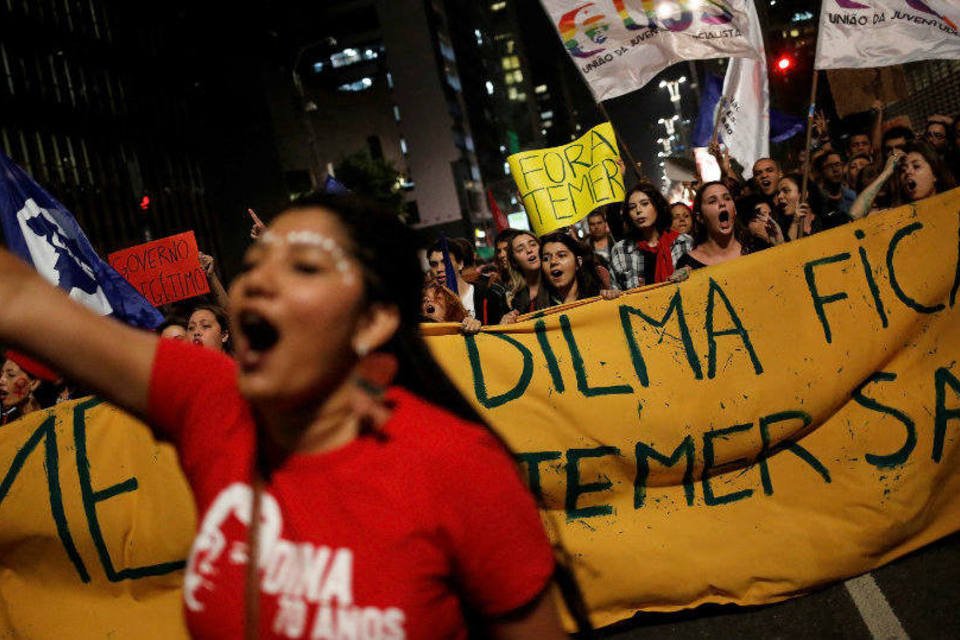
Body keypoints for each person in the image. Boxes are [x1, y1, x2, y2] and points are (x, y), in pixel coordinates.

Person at [0, 192, 571, 638]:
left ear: (372, 321)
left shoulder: (458, 466)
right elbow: (20, 300)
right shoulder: (211, 402)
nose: (256, 283)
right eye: (254, 263)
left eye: (302, 267)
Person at [609, 184, 692, 290]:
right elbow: (615, 290)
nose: (638, 210)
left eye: (644, 204)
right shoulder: (621, 249)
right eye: (632, 207)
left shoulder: (683, 242)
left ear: (657, 206)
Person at [426, 239, 507, 325]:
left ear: (460, 264)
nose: (439, 269)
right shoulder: (429, 304)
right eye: (434, 264)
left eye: (445, 262)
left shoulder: (488, 295)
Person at [676, 181, 744, 272]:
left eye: (727, 198)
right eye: (712, 201)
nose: (722, 203)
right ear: (700, 217)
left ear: (735, 210)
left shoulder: (755, 246)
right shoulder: (688, 264)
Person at [539, 232, 606, 307]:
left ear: (578, 262)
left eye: (561, 255)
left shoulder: (599, 299)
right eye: (546, 258)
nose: (553, 261)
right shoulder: (539, 308)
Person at [0, 351, 58, 425]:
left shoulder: (55, 417)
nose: (1, 380)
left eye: (11, 375)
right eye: (1, 374)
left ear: (34, 383)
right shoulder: (6, 421)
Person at [503, 231, 549, 319]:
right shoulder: (513, 299)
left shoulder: (558, 284)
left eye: (533, 245)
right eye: (520, 249)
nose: (529, 250)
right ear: (514, 262)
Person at [774, 173, 827, 240]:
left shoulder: (827, 221)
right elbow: (790, 248)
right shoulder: (781, 229)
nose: (779, 196)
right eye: (778, 193)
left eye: (786, 191)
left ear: (804, 194)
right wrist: (795, 222)